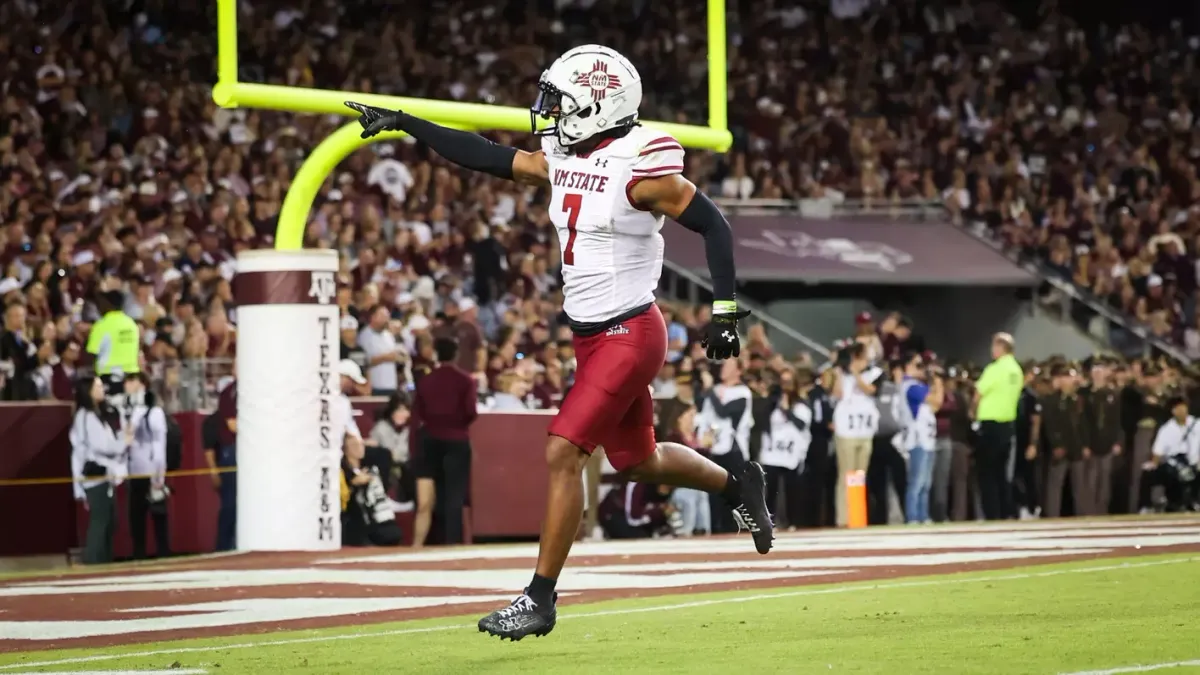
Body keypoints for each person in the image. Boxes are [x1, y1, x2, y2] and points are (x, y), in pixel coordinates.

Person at [347, 43, 773, 641]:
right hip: (590, 338)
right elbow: (488, 156)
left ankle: (539, 597)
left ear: (598, 107)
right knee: (638, 461)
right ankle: (737, 482)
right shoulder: (565, 154)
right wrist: (410, 124)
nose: (548, 113)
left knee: (562, 452)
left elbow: (713, 224)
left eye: (561, 101)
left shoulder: (638, 165)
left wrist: (724, 310)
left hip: (630, 330)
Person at [409, 337, 477, 546]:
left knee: (426, 499)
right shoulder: (466, 380)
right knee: (454, 496)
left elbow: (417, 414)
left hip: (429, 439)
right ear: (456, 355)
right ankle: (451, 544)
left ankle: (419, 545)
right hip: (456, 440)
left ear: (436, 353)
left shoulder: (425, 381)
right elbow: (470, 412)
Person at [69, 376, 131, 564]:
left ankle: (103, 560)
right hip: (95, 478)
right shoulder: (86, 416)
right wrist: (124, 442)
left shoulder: (95, 414)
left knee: (109, 522)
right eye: (97, 386)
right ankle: (95, 562)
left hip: (103, 476)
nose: (102, 389)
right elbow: (101, 445)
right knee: (100, 522)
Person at [972, 333, 1023, 520]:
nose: (992, 350)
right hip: (1008, 425)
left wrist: (973, 413)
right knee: (1002, 473)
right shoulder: (1017, 370)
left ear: (1001, 347)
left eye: (994, 346)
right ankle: (1004, 511)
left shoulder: (995, 369)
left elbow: (978, 393)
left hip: (990, 424)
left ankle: (992, 514)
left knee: (987, 473)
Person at [832, 342, 880, 526]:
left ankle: (857, 515)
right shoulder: (843, 375)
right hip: (846, 431)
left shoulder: (874, 374)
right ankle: (843, 518)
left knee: (860, 475)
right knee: (846, 474)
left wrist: (856, 374)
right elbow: (837, 394)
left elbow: (870, 390)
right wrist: (840, 374)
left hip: (865, 430)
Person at [124, 372, 171, 559]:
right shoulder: (128, 411)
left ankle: (163, 552)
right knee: (136, 518)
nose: (127, 385)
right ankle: (139, 553)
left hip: (150, 470)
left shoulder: (154, 412)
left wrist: (159, 475)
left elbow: (160, 444)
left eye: (131, 380)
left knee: (158, 515)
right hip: (134, 471)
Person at [87, 290, 141, 401]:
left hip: (110, 378)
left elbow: (91, 354)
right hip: (132, 377)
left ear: (108, 304)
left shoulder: (102, 325)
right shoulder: (131, 324)